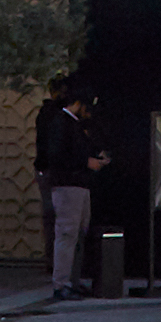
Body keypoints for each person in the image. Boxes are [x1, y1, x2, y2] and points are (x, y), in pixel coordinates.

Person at [33, 69, 110, 294]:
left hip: (77, 184)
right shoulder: (61, 123)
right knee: (67, 233)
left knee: (77, 233)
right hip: (67, 184)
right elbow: (57, 155)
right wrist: (87, 162)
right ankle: (62, 283)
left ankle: (71, 281)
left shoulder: (72, 124)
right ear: (79, 104)